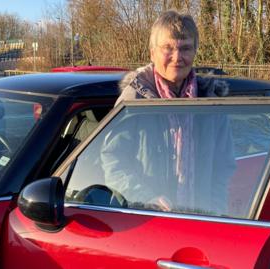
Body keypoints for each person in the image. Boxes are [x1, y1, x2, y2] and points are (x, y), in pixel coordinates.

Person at [100, 10, 236, 216]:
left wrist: (214, 210)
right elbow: (113, 159)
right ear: (152, 53)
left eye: (186, 48)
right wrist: (143, 199)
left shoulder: (211, 101)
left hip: (201, 218)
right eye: (168, 48)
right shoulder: (134, 100)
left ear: (195, 52)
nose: (177, 57)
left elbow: (223, 164)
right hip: (149, 220)